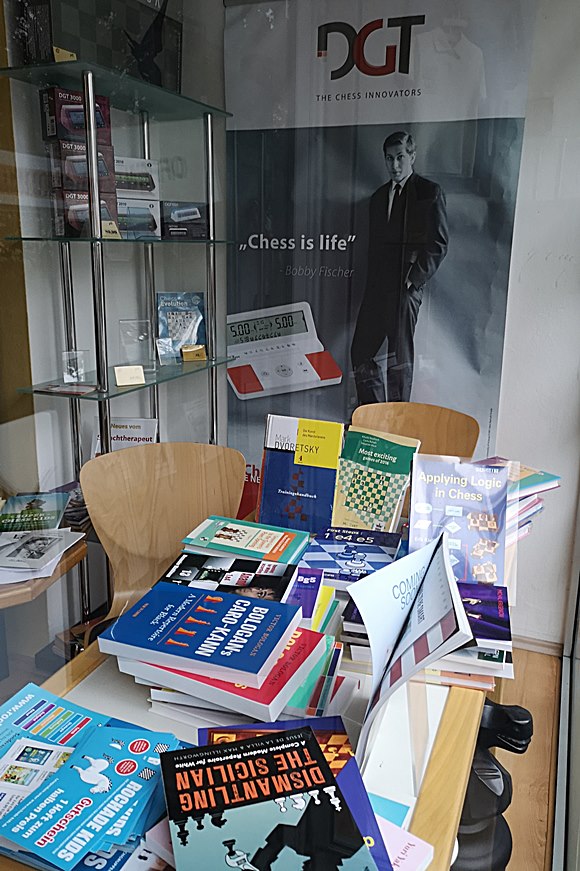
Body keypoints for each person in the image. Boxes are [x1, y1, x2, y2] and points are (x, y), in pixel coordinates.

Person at [351, 131, 449, 405]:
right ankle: (372, 412)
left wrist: (413, 281)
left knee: (399, 360)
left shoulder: (430, 192)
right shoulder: (378, 197)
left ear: (412, 156)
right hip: (377, 289)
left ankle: (396, 419)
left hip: (405, 289)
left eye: (400, 157)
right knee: (360, 351)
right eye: (389, 158)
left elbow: (439, 244)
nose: (394, 165)